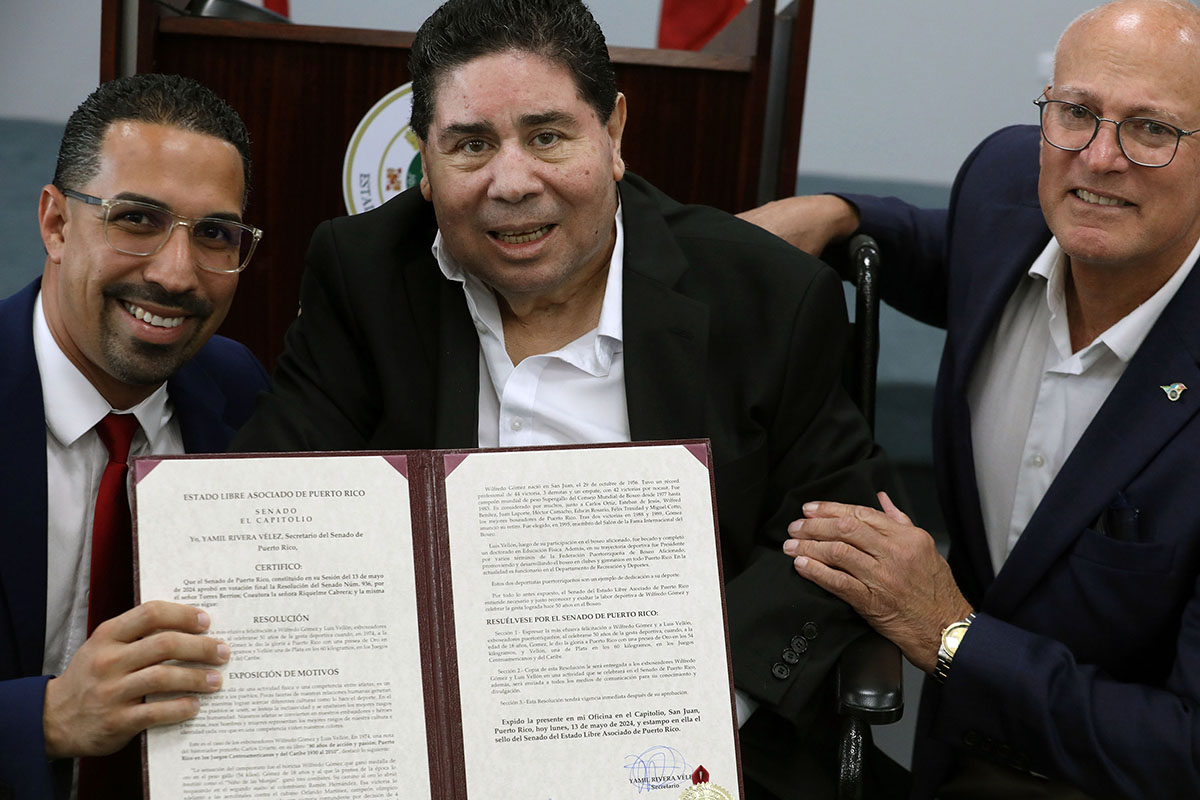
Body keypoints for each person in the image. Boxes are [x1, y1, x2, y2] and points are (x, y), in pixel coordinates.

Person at [233, 0, 896, 795]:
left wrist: (697, 707)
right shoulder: (363, 274)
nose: (512, 183)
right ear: (424, 161)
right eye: (471, 145)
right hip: (428, 740)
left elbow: (838, 530)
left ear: (612, 132)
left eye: (547, 136)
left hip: (686, 744)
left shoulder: (764, 294)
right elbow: (274, 502)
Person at [740, 0, 1200, 796]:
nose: (1099, 158)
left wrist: (950, 634)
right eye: (1076, 112)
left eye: (1151, 129)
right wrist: (842, 214)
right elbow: (946, 246)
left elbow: (1186, 750)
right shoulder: (1005, 187)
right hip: (947, 761)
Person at [0, 74, 270, 799]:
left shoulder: (240, 393)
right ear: (57, 224)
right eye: (138, 220)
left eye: (214, 234)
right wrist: (44, 720)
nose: (176, 275)